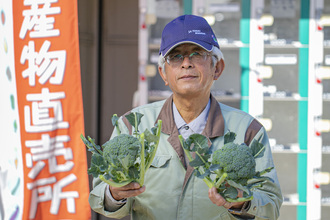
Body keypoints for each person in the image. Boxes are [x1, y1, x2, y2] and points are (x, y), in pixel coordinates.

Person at [89, 14, 283, 219]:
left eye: (197, 54)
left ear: (217, 68)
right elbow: (99, 198)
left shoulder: (248, 130)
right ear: (164, 73)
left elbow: (271, 204)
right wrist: (114, 194)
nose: (186, 63)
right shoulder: (133, 126)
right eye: (176, 56)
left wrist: (244, 203)